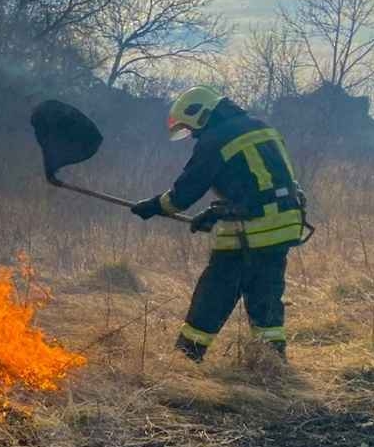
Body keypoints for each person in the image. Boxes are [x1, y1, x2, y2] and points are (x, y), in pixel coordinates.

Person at [130, 86, 309, 362]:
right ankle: (271, 364)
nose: (194, 136)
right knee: (266, 297)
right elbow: (258, 183)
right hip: (285, 224)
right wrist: (218, 212)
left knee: (213, 294)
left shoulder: (215, 139)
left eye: (192, 129)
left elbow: (183, 195)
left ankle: (186, 359)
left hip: (252, 231)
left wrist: (153, 206)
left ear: (201, 114)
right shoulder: (260, 126)